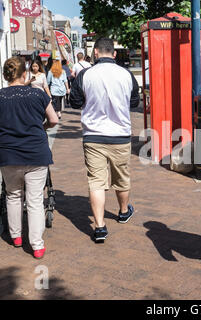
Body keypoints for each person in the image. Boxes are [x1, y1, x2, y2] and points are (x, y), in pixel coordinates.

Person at [0, 57, 58, 259]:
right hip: (36, 153)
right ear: (24, 74)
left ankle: (16, 237)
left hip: (9, 153)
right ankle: (37, 245)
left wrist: (2, 129)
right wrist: (41, 127)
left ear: (5, 75)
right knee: (34, 200)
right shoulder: (37, 94)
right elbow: (53, 119)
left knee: (13, 195)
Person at [70, 37, 140, 243]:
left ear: (97, 53)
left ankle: (99, 227)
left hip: (93, 135)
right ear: (115, 54)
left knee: (96, 182)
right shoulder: (126, 74)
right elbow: (134, 102)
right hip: (120, 135)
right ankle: (123, 211)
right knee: (121, 177)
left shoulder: (85, 74)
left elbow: (74, 102)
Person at [47, 54, 70, 119]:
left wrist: (47, 87)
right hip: (62, 89)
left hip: (54, 89)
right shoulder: (63, 72)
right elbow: (65, 80)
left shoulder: (50, 72)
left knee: (55, 101)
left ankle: (57, 112)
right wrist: (67, 88)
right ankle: (58, 111)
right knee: (59, 101)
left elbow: (48, 81)